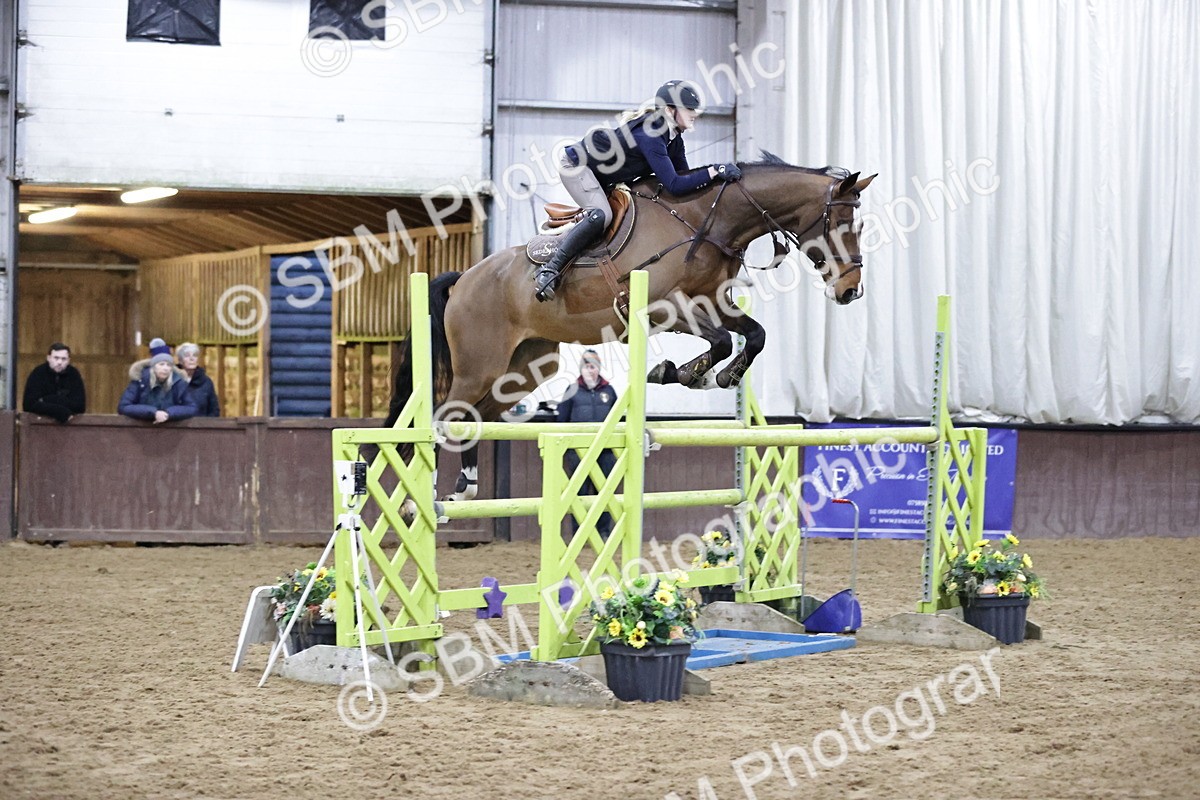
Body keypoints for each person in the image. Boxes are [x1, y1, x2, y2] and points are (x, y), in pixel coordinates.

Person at [533, 79, 743, 302]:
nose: (694, 114)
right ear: (670, 110)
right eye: (689, 109)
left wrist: (716, 178)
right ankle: (550, 269)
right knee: (601, 216)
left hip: (603, 174)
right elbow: (674, 184)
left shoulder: (674, 140)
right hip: (577, 166)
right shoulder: (651, 135)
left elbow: (684, 180)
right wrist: (714, 171)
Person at [557, 349, 620, 539]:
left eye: (593, 366)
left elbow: (617, 419)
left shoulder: (609, 391)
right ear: (581, 369)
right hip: (578, 452)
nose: (590, 370)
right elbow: (562, 421)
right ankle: (580, 533)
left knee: (605, 493)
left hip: (606, 452)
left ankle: (603, 533)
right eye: (587, 366)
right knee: (579, 494)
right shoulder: (571, 391)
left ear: (598, 369)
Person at [118, 340, 197, 423]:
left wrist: (169, 413)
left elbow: (192, 408)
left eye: (169, 365)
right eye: (161, 364)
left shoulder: (178, 382)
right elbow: (124, 407)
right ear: (153, 367)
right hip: (142, 429)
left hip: (172, 430)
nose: (165, 368)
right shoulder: (140, 381)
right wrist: (153, 412)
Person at [22, 342, 86, 423]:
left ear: (69, 360)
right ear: (48, 358)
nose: (59, 362)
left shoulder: (73, 374)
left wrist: (47, 400)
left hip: (69, 429)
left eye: (64, 359)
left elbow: (80, 407)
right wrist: (60, 411)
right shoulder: (38, 373)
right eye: (56, 358)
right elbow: (29, 404)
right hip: (40, 427)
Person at [177, 342, 221, 417]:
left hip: (201, 426)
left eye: (195, 355)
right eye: (187, 356)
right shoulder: (172, 379)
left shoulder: (206, 381)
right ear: (181, 360)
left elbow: (214, 410)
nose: (192, 359)